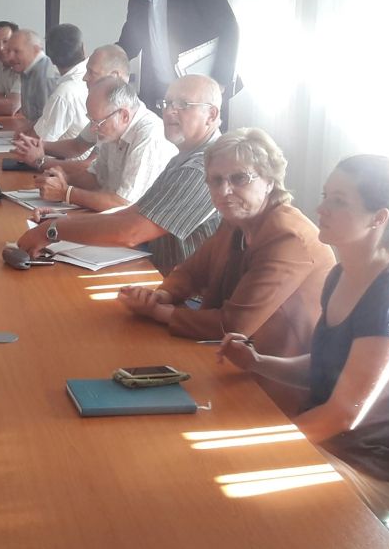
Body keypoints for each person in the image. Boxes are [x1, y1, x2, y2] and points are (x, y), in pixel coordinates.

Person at [219, 155, 389, 522]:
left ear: (379, 217)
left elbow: (343, 414)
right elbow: (325, 366)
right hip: (330, 447)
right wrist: (258, 362)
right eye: (326, 196)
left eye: (339, 201)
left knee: (224, 492)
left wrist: (263, 446)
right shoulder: (340, 275)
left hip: (368, 472)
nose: (321, 208)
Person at [119, 128, 335, 380]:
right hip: (230, 357)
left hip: (277, 376)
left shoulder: (288, 237)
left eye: (239, 178)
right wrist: (160, 295)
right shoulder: (237, 219)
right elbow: (192, 272)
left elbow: (234, 325)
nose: (224, 191)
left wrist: (156, 312)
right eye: (216, 180)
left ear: (270, 181)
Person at [17, 75, 222, 274]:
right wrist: (63, 221)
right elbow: (133, 212)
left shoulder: (202, 167)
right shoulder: (184, 156)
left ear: (211, 115)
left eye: (183, 105)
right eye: (167, 103)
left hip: (182, 289)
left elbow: (131, 231)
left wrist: (53, 230)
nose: (169, 112)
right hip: (159, 272)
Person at [117, 0, 239, 115]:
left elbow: (229, 30)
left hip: (201, 92)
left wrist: (219, 80)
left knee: (203, 133)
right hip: (160, 96)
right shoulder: (136, 1)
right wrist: (105, 61)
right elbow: (129, 44)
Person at [35, 77, 176, 212]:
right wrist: (63, 178)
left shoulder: (150, 136)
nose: (93, 129)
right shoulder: (112, 130)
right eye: (91, 120)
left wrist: (66, 193)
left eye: (97, 122)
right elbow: (96, 178)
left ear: (124, 116)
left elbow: (122, 204)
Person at [11, 43, 131, 169]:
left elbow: (89, 167)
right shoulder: (108, 108)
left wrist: (40, 161)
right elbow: (76, 146)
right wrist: (37, 144)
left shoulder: (118, 114)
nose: (84, 78)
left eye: (91, 72)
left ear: (114, 76)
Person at [32, 23, 88, 142]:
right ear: (83, 49)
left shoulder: (64, 93)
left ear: (51, 58)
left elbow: (41, 141)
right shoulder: (93, 77)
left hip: (65, 154)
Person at [5, 28, 60, 128]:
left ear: (35, 50)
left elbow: (48, 124)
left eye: (16, 51)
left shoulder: (46, 76)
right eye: (8, 51)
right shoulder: (27, 70)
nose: (10, 57)